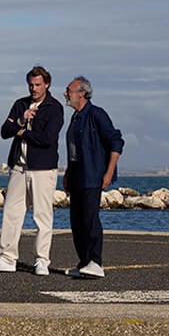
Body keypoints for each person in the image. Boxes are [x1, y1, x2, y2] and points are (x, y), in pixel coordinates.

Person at [0, 66, 64, 276]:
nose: (34, 88)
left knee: (42, 216)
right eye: (31, 84)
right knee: (11, 213)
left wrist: (22, 132)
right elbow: (4, 131)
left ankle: (42, 260)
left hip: (43, 170)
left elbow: (47, 139)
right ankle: (7, 258)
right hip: (19, 168)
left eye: (38, 84)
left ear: (47, 84)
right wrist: (20, 120)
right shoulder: (20, 104)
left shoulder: (54, 108)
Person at [62, 75, 124, 278]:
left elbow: (116, 142)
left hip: (92, 176)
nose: (66, 94)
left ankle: (95, 262)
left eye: (69, 91)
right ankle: (84, 263)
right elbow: (74, 151)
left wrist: (108, 172)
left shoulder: (97, 114)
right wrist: (67, 173)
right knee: (77, 222)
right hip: (77, 177)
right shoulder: (75, 118)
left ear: (82, 93)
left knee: (90, 220)